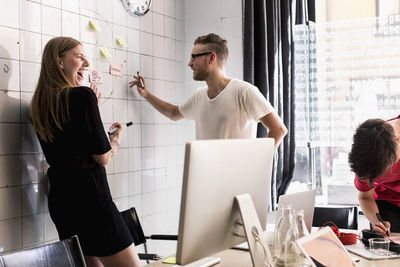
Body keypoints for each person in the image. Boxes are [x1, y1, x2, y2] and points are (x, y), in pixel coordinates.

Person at [30, 37, 140, 267]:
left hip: (63, 203)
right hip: (93, 202)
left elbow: (69, 142)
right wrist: (116, 140)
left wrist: (91, 112)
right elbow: (102, 158)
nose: (87, 62)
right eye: (79, 56)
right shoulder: (83, 96)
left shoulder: (39, 105)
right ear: (59, 61)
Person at [129, 33, 287, 148]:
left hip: (238, 181)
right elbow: (173, 113)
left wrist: (257, 164)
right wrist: (146, 94)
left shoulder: (243, 91)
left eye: (194, 57)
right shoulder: (199, 96)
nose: (190, 64)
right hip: (206, 179)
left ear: (211, 58)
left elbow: (278, 129)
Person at [348, 116, 400, 236]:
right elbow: (365, 197)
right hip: (387, 203)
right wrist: (376, 221)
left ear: (398, 140)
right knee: (387, 245)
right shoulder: (365, 160)